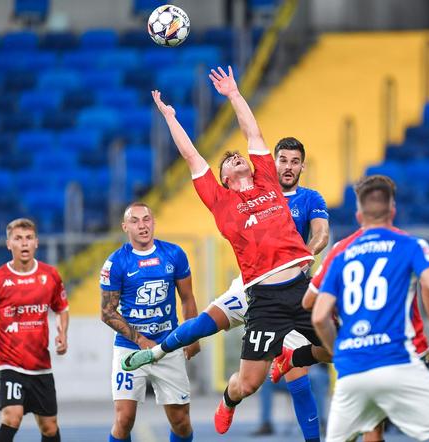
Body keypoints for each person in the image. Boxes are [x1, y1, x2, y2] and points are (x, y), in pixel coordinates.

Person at [135, 66, 329, 436]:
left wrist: (234, 95)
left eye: (240, 157)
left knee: (338, 349)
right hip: (264, 298)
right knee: (249, 383)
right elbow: (192, 157)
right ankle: (228, 399)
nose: (237, 158)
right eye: (228, 161)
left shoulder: (267, 179)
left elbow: (252, 133)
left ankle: (292, 357)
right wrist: (171, 118)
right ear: (223, 177)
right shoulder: (220, 201)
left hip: (301, 288)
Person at [276, 193, 429, 441]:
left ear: (359, 215)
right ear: (392, 211)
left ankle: (295, 356)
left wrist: (340, 344)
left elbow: (312, 306)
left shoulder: (341, 251)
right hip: (407, 356)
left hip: (356, 364)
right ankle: (295, 356)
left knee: (372, 430)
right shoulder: (407, 245)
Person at [100, 202, 199, 442]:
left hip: (168, 346)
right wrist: (141, 340)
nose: (142, 225)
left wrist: (193, 335)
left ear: (153, 222)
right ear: (125, 227)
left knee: (181, 422)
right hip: (130, 350)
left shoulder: (174, 254)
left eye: (146, 219)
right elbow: (107, 312)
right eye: (135, 221)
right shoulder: (116, 263)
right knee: (124, 419)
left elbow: (187, 298)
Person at [0, 218, 69, 442]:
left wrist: (62, 333)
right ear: (9, 244)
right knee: (12, 416)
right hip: (7, 363)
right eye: (18, 239)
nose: (24, 243)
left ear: (36, 242)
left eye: (28, 238)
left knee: (49, 426)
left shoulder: (50, 276)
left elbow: (61, 308)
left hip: (40, 365)